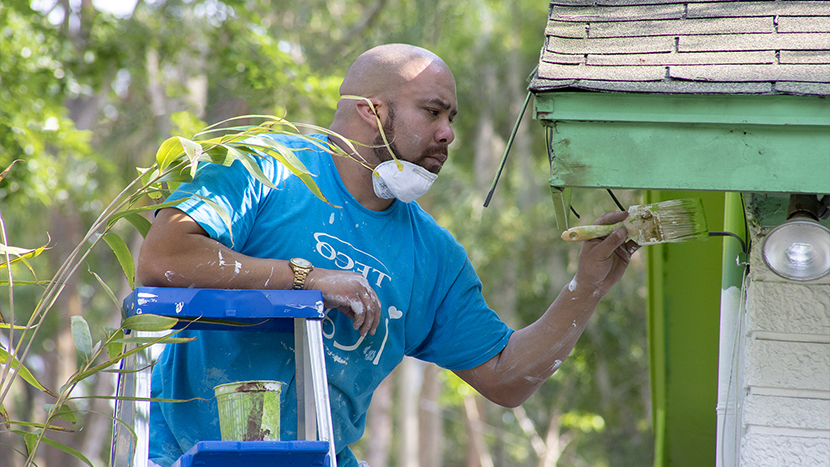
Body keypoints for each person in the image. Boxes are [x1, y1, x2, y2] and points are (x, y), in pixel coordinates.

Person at [137, 43, 638, 467]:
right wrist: (306, 278)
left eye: (451, 118)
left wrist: (588, 285)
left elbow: (506, 378)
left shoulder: (435, 257)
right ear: (371, 111)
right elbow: (162, 260)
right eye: (433, 111)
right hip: (189, 455)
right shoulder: (266, 165)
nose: (448, 134)